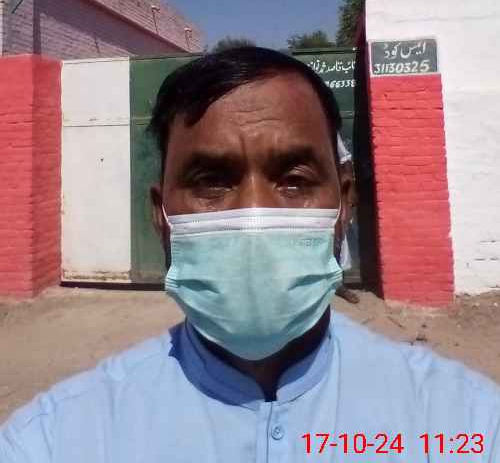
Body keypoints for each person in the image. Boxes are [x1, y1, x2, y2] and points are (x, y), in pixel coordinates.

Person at [1, 46, 499, 462]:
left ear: (344, 204)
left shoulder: (462, 423)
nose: (254, 216)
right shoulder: (56, 439)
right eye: (211, 181)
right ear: (161, 216)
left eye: (294, 180)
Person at [335, 133, 360, 304]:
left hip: (334, 189)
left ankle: (339, 284)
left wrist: (350, 192)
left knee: (339, 236)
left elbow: (345, 160)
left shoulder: (329, 132)